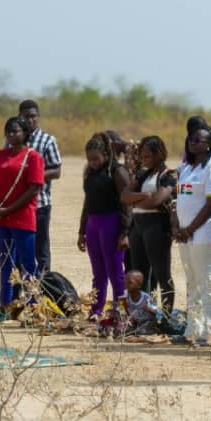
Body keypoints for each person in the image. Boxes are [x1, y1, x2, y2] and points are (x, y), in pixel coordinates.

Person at [172, 125, 211, 347]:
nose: (194, 142)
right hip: (185, 236)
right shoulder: (186, 168)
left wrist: (191, 228)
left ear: (210, 144)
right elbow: (179, 201)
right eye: (191, 139)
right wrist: (177, 226)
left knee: (208, 283)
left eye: (200, 140)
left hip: (205, 234)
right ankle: (192, 330)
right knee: (192, 283)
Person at [0, 117, 45, 320]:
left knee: (28, 264)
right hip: (1, 218)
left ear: (25, 133)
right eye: (8, 131)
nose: (12, 134)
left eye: (16, 130)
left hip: (22, 217)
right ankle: (5, 307)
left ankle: (34, 308)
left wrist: (9, 209)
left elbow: (34, 188)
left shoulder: (33, 157)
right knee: (5, 263)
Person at [78, 133, 131, 324]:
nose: (92, 163)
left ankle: (121, 313)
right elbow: (87, 202)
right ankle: (96, 311)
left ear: (106, 154)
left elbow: (127, 203)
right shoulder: (90, 172)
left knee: (115, 271)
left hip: (111, 223)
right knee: (98, 273)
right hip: (93, 223)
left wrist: (124, 232)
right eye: (89, 159)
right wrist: (81, 231)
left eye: (96, 159)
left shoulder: (117, 171)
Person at [122, 136, 177, 311]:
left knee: (162, 274)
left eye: (148, 155)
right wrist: (144, 196)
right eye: (142, 155)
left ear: (159, 154)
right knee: (140, 273)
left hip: (156, 226)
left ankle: (166, 316)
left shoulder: (168, 175)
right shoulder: (142, 174)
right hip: (138, 226)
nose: (144, 159)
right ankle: (144, 314)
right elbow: (124, 196)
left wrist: (135, 200)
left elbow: (157, 200)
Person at [19, 100, 62, 273]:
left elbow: (57, 170)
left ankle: (44, 292)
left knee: (41, 249)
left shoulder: (47, 140)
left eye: (33, 117)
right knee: (19, 249)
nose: (29, 120)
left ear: (38, 118)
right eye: (25, 117)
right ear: (19, 117)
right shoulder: (13, 138)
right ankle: (20, 294)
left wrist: (35, 176)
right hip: (17, 205)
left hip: (40, 203)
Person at [120, 271, 162, 336]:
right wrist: (124, 307)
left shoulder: (146, 297)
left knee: (142, 330)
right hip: (133, 322)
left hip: (145, 323)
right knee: (121, 329)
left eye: (130, 283)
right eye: (125, 282)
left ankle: (151, 330)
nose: (126, 285)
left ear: (139, 285)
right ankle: (134, 330)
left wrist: (149, 308)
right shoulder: (125, 297)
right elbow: (122, 313)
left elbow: (157, 312)